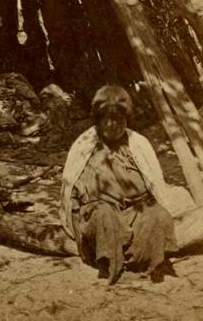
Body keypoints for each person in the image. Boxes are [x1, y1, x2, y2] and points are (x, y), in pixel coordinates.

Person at [60, 85, 180, 284]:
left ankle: (146, 263)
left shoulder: (138, 144)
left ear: (126, 118)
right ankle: (113, 268)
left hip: (136, 209)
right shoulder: (85, 144)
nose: (112, 125)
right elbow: (70, 189)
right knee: (105, 218)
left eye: (117, 119)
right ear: (98, 119)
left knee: (159, 215)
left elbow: (155, 185)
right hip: (100, 210)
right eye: (106, 119)